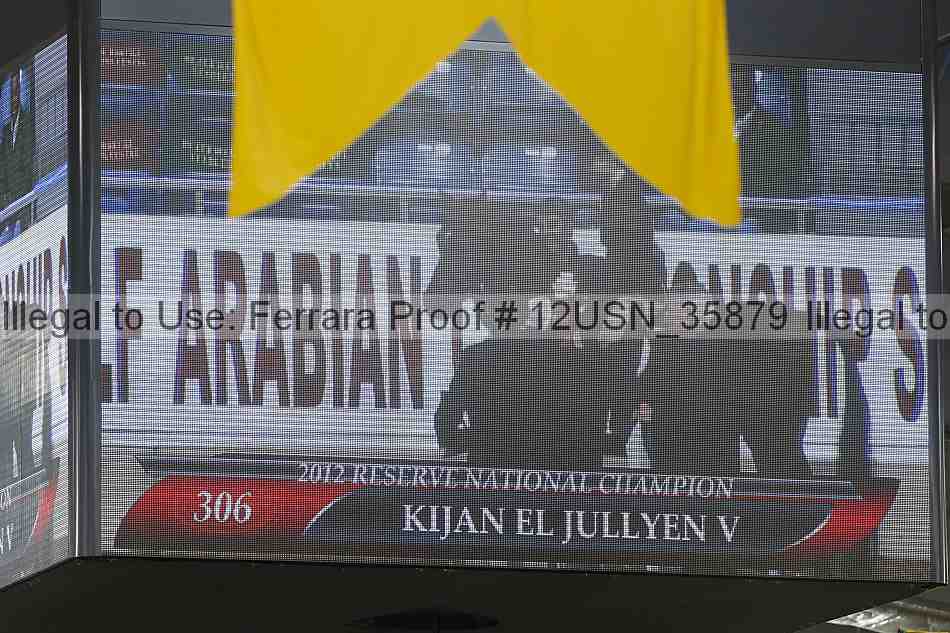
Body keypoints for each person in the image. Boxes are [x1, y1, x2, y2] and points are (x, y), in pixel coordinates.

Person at [0, 69, 35, 209]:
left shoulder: (27, 124)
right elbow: (3, 161)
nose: (14, 98)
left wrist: (22, 187)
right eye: (12, 93)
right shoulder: (6, 129)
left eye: (17, 92)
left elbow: (27, 159)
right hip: (8, 195)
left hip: (22, 192)